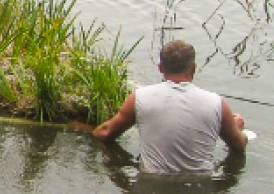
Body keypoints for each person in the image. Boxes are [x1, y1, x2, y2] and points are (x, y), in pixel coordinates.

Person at [93, 40, 248, 174]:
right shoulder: (217, 103)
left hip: (151, 182)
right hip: (200, 184)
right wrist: (237, 128)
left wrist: (85, 129)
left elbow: (106, 133)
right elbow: (239, 147)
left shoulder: (140, 97)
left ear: (160, 67)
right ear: (193, 68)